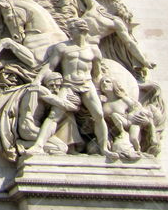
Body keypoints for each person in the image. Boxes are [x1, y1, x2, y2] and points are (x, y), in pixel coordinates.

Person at [24, 19, 115, 158]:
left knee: (99, 115)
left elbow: (97, 74)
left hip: (87, 84)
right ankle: (38, 146)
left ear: (81, 31)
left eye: (72, 30)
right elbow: (50, 66)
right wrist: (37, 80)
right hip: (69, 84)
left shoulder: (94, 50)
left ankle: (104, 149)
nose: (69, 33)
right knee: (54, 116)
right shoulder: (62, 48)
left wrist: (100, 91)